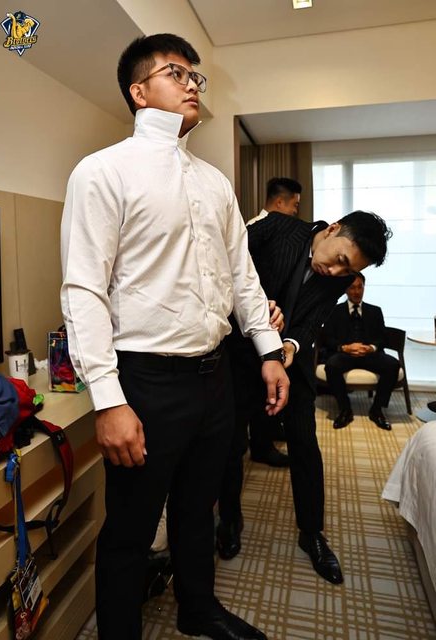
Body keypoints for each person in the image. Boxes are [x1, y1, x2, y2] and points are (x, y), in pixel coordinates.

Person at [60, 33, 289, 640]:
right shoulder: (102, 171)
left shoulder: (214, 182)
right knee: (131, 527)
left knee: (198, 504)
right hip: (146, 380)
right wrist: (107, 400)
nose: (192, 84)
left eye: (195, 76)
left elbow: (242, 276)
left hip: (215, 374)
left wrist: (268, 352)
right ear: (139, 92)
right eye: (175, 73)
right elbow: (83, 290)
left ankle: (198, 608)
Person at [217, 210, 392, 585]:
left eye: (348, 271)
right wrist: (256, 307)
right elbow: (223, 263)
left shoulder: (338, 277)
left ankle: (311, 533)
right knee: (231, 444)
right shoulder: (277, 228)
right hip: (240, 355)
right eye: (340, 259)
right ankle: (229, 519)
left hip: (290, 363)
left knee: (305, 445)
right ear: (333, 229)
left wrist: (292, 345)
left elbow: (313, 320)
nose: (337, 272)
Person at [246, 177, 303, 468]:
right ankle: (261, 445)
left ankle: (267, 433)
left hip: (273, 323)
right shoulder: (256, 230)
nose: (295, 212)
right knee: (257, 389)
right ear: (280, 202)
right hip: (255, 325)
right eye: (294, 205)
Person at [321, 273, 400, 430]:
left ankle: (377, 409)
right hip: (345, 354)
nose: (357, 292)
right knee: (331, 366)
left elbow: (383, 338)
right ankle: (345, 409)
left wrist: (371, 347)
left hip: (369, 354)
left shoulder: (375, 311)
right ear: (345, 290)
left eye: (360, 287)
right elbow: (327, 338)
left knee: (393, 365)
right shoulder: (335, 311)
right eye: (352, 288)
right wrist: (344, 347)